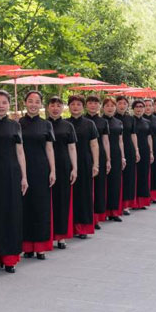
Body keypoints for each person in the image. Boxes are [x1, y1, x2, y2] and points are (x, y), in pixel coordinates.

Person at [0, 90, 28, 272]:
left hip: (12, 172)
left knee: (11, 213)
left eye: (4, 102)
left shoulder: (15, 125)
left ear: (9, 105)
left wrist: (24, 176)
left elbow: (20, 152)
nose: (1, 106)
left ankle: (10, 259)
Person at [19, 91, 55, 260]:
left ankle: (40, 247)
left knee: (41, 207)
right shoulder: (17, 124)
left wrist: (53, 170)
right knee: (25, 207)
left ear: (41, 104)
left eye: (37, 101)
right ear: (25, 103)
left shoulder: (46, 124)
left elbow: (49, 149)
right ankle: (27, 246)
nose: (33, 104)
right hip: (22, 169)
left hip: (41, 168)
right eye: (30, 101)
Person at [66, 95, 99, 238]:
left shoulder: (89, 124)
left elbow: (94, 145)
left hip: (85, 161)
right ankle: (68, 226)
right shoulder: (64, 123)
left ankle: (82, 228)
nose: (75, 107)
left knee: (84, 195)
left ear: (83, 107)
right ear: (68, 106)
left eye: (78, 104)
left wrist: (96, 164)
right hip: (67, 162)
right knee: (69, 195)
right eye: (73, 104)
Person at [47, 96, 77, 249]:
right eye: (52, 105)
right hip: (44, 166)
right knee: (47, 201)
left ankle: (61, 236)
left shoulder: (68, 126)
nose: (55, 108)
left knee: (62, 200)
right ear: (48, 107)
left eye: (58, 106)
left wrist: (74, 168)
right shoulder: (43, 125)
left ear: (63, 108)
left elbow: (72, 148)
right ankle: (47, 235)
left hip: (64, 165)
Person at [85, 96, 110, 228]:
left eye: (95, 103)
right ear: (86, 105)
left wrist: (108, 159)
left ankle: (96, 218)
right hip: (83, 156)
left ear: (99, 106)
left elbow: (105, 142)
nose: (93, 106)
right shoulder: (82, 120)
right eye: (90, 103)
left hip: (99, 156)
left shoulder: (103, 122)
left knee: (99, 187)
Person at [102, 97, 126, 221]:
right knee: (103, 184)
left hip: (116, 153)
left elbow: (121, 141)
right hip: (103, 154)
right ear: (103, 108)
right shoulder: (99, 121)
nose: (110, 108)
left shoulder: (118, 122)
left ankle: (114, 212)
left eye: (112, 106)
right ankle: (102, 212)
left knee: (115, 183)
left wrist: (123, 157)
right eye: (107, 106)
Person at [116, 96, 139, 214]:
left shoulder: (131, 119)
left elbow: (133, 135)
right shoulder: (111, 118)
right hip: (115, 149)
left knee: (128, 177)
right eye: (119, 103)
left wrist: (136, 150)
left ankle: (126, 205)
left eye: (124, 103)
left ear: (127, 105)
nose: (122, 105)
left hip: (129, 148)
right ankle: (115, 205)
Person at [132, 99, 153, 209]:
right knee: (133, 176)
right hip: (132, 150)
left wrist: (151, 152)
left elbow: (149, 137)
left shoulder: (147, 122)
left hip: (145, 150)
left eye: (141, 107)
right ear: (133, 109)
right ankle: (132, 202)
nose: (139, 109)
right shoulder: (130, 121)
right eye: (137, 106)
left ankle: (141, 202)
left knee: (144, 175)